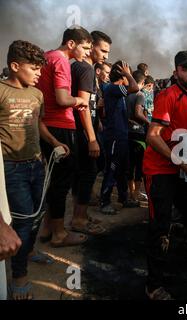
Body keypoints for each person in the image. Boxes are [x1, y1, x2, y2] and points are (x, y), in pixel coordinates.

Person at [143, 51, 187, 299]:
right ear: (176, 72)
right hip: (161, 168)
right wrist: (181, 162)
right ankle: (153, 285)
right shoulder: (168, 96)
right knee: (161, 225)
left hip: (185, 166)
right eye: (186, 69)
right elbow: (152, 136)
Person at [1, 40, 69, 299]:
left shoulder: (37, 94)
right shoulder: (1, 91)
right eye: (35, 68)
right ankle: (19, 276)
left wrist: (54, 142)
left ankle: (28, 250)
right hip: (10, 167)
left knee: (39, 212)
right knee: (24, 220)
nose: (40, 74)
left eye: (42, 68)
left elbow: (38, 124)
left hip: (36, 163)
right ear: (15, 66)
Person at [36, 27, 92, 248]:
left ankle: (48, 228)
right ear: (71, 44)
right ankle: (59, 234)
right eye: (85, 47)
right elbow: (62, 98)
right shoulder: (61, 61)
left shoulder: (47, 57)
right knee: (61, 182)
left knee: (54, 180)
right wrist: (79, 101)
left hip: (47, 125)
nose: (87, 53)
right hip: (60, 126)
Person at [70, 30, 111, 235]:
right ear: (91, 45)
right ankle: (78, 219)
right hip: (82, 132)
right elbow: (82, 107)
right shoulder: (84, 69)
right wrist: (92, 138)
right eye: (102, 50)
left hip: (86, 129)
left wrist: (97, 124)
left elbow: (90, 105)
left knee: (84, 173)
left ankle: (82, 215)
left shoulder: (86, 69)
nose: (105, 55)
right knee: (88, 173)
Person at [99, 61, 140, 214]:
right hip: (114, 136)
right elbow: (135, 88)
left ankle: (123, 198)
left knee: (123, 168)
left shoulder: (117, 91)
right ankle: (105, 202)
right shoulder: (113, 88)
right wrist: (128, 74)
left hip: (121, 134)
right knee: (112, 168)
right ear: (122, 74)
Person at [127, 70, 150, 203]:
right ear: (141, 83)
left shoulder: (125, 93)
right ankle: (136, 193)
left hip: (126, 132)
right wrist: (149, 122)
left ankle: (132, 193)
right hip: (138, 133)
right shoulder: (139, 94)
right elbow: (138, 113)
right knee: (139, 164)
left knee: (129, 165)